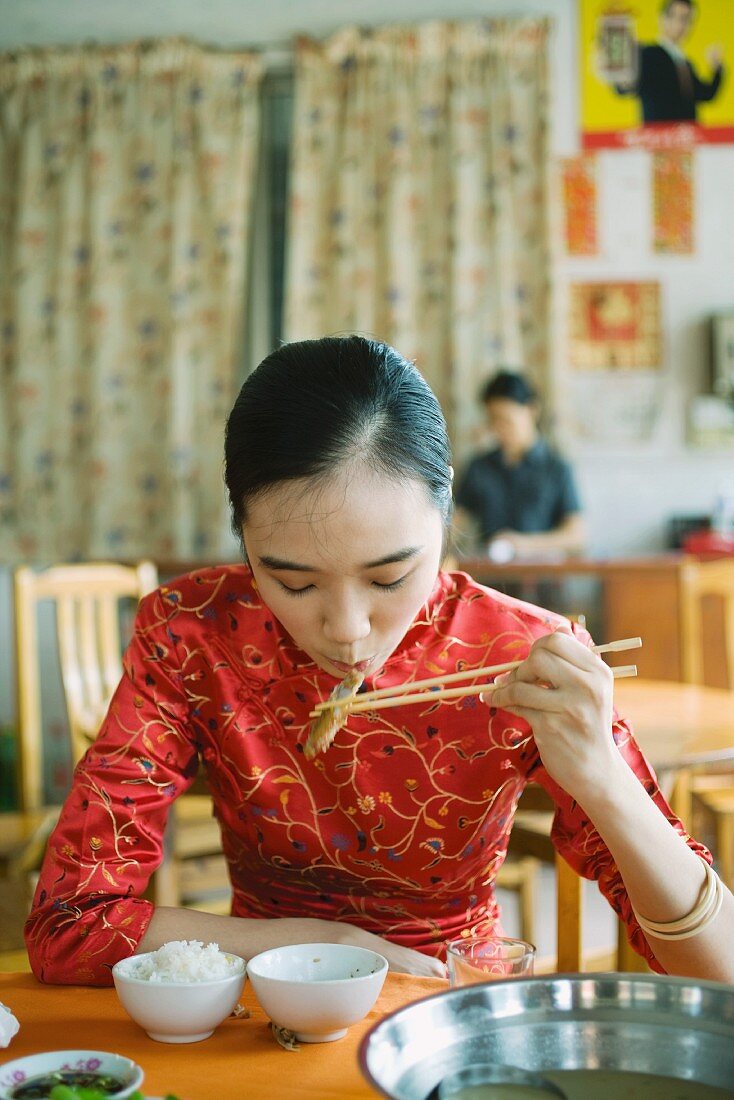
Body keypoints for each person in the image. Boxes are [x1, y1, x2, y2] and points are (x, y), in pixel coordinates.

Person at [26, 335, 733, 986]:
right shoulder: (193, 632)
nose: (347, 629)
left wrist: (604, 782)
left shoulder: (521, 654)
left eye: (389, 578)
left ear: (446, 504)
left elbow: (716, 970)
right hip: (265, 995)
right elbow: (68, 924)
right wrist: (326, 943)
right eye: (294, 583)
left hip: (448, 998)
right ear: (242, 530)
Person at [454, 370, 585, 562]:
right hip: (491, 580)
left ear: (532, 409)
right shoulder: (479, 467)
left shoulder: (556, 468)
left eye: (506, 420)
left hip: (542, 580)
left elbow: (576, 536)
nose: (499, 429)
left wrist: (525, 544)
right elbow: (455, 524)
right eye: (493, 420)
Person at [612, 0, 724, 125]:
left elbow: (704, 94)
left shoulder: (686, 63)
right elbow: (628, 84)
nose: (681, 25)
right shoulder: (648, 54)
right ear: (662, 19)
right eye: (677, 17)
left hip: (687, 138)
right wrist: (620, 71)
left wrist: (717, 68)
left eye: (687, 20)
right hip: (660, 139)